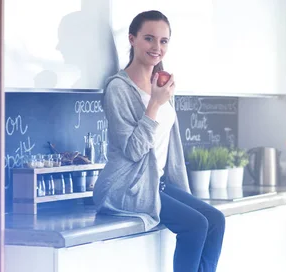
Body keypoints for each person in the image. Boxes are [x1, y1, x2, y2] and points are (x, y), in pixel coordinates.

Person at [93, 10, 225, 272]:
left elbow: (170, 147)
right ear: (132, 39)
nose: (157, 47)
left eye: (163, 41)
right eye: (149, 39)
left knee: (215, 220)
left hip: (159, 183)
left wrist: (159, 96)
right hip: (126, 187)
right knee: (195, 225)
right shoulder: (118, 88)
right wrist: (154, 103)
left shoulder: (161, 84)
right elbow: (133, 151)